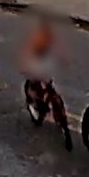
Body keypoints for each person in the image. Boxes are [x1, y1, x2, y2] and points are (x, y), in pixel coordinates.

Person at [22, 15, 73, 151]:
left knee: (47, 87)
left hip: (43, 67)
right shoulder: (39, 39)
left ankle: (45, 106)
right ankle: (39, 103)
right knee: (39, 83)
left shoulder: (45, 39)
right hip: (39, 67)